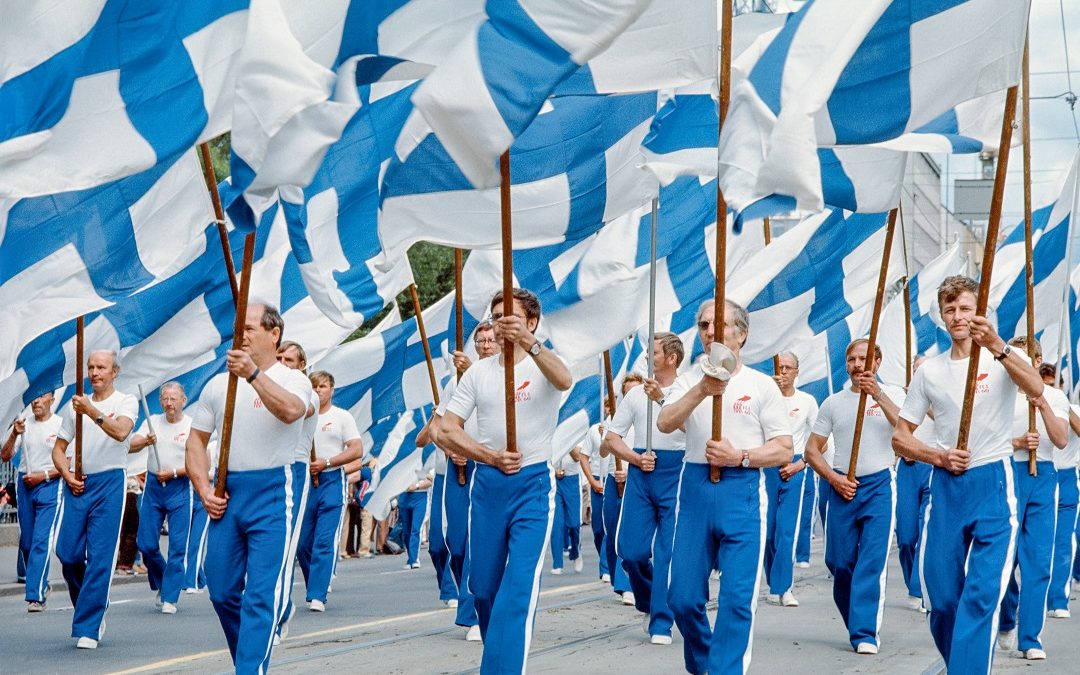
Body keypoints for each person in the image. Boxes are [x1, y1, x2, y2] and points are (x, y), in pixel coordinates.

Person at [893, 275, 1049, 674]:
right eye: (950, 310)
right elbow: (900, 438)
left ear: (979, 311)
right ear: (942, 319)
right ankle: (960, 663)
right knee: (943, 599)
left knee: (981, 595)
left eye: (965, 308)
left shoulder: (1001, 361)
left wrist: (997, 346)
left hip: (994, 483)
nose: (958, 316)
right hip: (946, 486)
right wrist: (938, 456)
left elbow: (1036, 387)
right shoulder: (930, 372)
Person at [438, 287, 572, 674]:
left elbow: (564, 379)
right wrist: (489, 456)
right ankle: (496, 653)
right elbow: (448, 429)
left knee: (517, 590)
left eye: (510, 316)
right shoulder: (479, 373)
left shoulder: (543, 364)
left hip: (532, 484)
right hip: (489, 484)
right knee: (483, 589)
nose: (501, 324)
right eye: (496, 317)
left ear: (530, 321)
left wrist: (529, 343)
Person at [658, 299, 793, 674]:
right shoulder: (688, 380)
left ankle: (725, 669)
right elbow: (666, 423)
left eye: (719, 325)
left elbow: (784, 448)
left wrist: (741, 457)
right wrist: (703, 389)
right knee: (682, 598)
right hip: (695, 489)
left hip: (742, 489)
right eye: (703, 326)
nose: (710, 332)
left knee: (736, 600)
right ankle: (704, 663)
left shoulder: (761, 385)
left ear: (741, 334)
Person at [186, 302, 313, 673]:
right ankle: (250, 653)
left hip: (277, 488)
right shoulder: (217, 384)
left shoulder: (295, 380)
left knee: (261, 592)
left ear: (274, 335)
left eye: (250, 328)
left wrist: (254, 374)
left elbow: (291, 411)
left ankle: (250, 667)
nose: (241, 334)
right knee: (222, 588)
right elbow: (195, 442)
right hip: (229, 491)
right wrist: (204, 489)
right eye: (238, 327)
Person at [804, 339, 903, 654]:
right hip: (842, 486)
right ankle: (856, 620)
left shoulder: (894, 395)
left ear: (877, 361)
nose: (858, 365)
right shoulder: (833, 403)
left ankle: (865, 632)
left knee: (871, 561)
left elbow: (905, 429)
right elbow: (811, 450)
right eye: (851, 359)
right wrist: (833, 478)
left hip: (879, 486)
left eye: (864, 359)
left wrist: (878, 394)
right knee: (839, 562)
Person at [603, 331, 686, 644]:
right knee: (631, 551)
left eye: (653, 352)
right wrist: (635, 459)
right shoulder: (635, 395)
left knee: (667, 552)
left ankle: (661, 623)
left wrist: (661, 399)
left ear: (671, 357)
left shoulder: (687, 388)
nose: (648, 357)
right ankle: (649, 600)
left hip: (677, 472)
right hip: (642, 473)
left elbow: (692, 428)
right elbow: (612, 438)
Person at [51, 350, 138, 649]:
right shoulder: (74, 407)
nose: (94, 372)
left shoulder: (125, 401)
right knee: (68, 554)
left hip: (110, 482)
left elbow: (122, 432)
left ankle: (90, 624)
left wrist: (91, 411)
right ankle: (89, 604)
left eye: (101, 367)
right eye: (90, 367)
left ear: (114, 371)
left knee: (101, 557)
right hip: (79, 483)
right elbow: (59, 449)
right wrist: (66, 473)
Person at [425, 320, 500, 641]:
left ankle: (473, 614)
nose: (485, 345)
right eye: (480, 340)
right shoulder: (460, 381)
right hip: (459, 471)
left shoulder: (508, 375)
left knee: (476, 542)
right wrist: (452, 449)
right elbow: (437, 429)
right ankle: (474, 592)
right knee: (454, 543)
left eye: (491, 340)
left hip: (491, 468)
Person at [996, 337, 1069, 659]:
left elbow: (1062, 439)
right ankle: (1006, 616)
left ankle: (1031, 638)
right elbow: (985, 442)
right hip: (1008, 475)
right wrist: (1016, 441)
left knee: (1038, 560)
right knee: (1005, 558)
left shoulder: (1053, 395)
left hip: (1043, 475)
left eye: (1029, 358)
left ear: (1038, 360)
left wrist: (1042, 405)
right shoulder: (1001, 395)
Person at [296, 370, 362, 612]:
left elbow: (356, 449)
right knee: (303, 543)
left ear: (332, 389)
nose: (319, 390)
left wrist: (328, 462)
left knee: (324, 541)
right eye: (314, 386)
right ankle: (314, 581)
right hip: (305, 482)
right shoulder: (302, 416)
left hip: (331, 481)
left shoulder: (341, 417)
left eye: (323, 386)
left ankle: (317, 594)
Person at [130, 382, 193, 615]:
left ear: (183, 400)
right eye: (165, 398)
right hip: (154, 487)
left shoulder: (190, 426)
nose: (169, 403)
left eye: (174, 398)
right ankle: (164, 578)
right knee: (145, 543)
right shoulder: (152, 421)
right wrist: (146, 440)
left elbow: (200, 463)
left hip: (179, 487)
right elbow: (131, 445)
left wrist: (176, 472)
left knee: (178, 545)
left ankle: (170, 596)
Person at [763, 352, 818, 608]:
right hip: (768, 465)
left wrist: (801, 464)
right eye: (779, 367)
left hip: (794, 466)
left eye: (788, 368)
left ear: (797, 371)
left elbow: (819, 440)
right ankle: (773, 580)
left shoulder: (806, 401)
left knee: (786, 531)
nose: (783, 372)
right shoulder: (764, 398)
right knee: (768, 533)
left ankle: (784, 587)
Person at [273, 340, 319, 642]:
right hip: (264, 471)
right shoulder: (267, 385)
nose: (284, 363)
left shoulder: (305, 388)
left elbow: (302, 409)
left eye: (290, 359)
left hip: (295, 469)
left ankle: (276, 615)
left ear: (301, 365)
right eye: (279, 357)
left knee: (286, 546)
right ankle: (280, 605)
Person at [2, 392, 63, 612]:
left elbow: (69, 464)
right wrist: (14, 435)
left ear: (52, 400)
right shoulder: (23, 424)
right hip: (25, 484)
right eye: (34, 397)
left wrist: (44, 476)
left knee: (41, 540)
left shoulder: (60, 425)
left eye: (42, 397)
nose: (36, 401)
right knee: (26, 542)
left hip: (49, 485)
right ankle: (41, 584)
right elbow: (6, 456)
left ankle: (35, 595)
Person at [895, 356, 935, 613]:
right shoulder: (900, 396)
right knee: (907, 536)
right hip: (907, 470)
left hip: (932, 466)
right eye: (916, 369)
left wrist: (924, 398)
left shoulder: (940, 393)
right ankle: (912, 577)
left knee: (926, 532)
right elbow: (894, 430)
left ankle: (919, 587)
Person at [600, 376, 639, 607]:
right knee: (608, 531)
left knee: (626, 532)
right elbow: (604, 452)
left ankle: (626, 585)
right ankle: (617, 578)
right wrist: (608, 438)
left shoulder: (647, 418)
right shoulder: (614, 420)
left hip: (634, 481)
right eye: (628, 393)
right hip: (613, 483)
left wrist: (631, 468)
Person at [1047, 364, 1080, 618]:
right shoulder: (1030, 408)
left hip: (1066, 477)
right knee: (1035, 545)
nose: (1048, 389)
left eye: (1052, 385)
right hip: (1039, 476)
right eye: (1043, 384)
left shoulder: (1073, 410)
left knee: (1063, 540)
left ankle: (1058, 598)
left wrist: (1065, 408)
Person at [576, 416, 612, 583]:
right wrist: (592, 481)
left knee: (610, 527)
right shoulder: (595, 430)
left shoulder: (630, 426)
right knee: (598, 529)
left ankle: (606, 567)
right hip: (598, 479)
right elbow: (584, 457)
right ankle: (606, 558)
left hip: (616, 479)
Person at [549, 441, 583, 576]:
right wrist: (554, 469)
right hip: (555, 481)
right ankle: (557, 563)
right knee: (556, 525)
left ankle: (576, 552)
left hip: (572, 481)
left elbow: (577, 457)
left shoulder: (577, 434)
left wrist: (568, 439)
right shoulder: (553, 433)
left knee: (574, 524)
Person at [398, 466, 433, 570]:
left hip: (420, 496)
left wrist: (417, 486)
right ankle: (410, 558)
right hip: (404, 496)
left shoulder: (426, 459)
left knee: (416, 529)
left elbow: (430, 480)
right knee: (406, 532)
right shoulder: (403, 458)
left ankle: (414, 559)